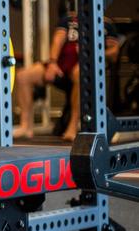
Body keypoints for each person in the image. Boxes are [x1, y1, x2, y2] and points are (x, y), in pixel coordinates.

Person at [13, 8, 119, 142]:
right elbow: (58, 40)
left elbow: (114, 53)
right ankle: (25, 126)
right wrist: (52, 62)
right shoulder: (70, 19)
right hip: (61, 66)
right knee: (23, 76)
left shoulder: (106, 23)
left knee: (81, 72)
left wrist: (92, 54)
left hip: (86, 69)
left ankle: (72, 127)